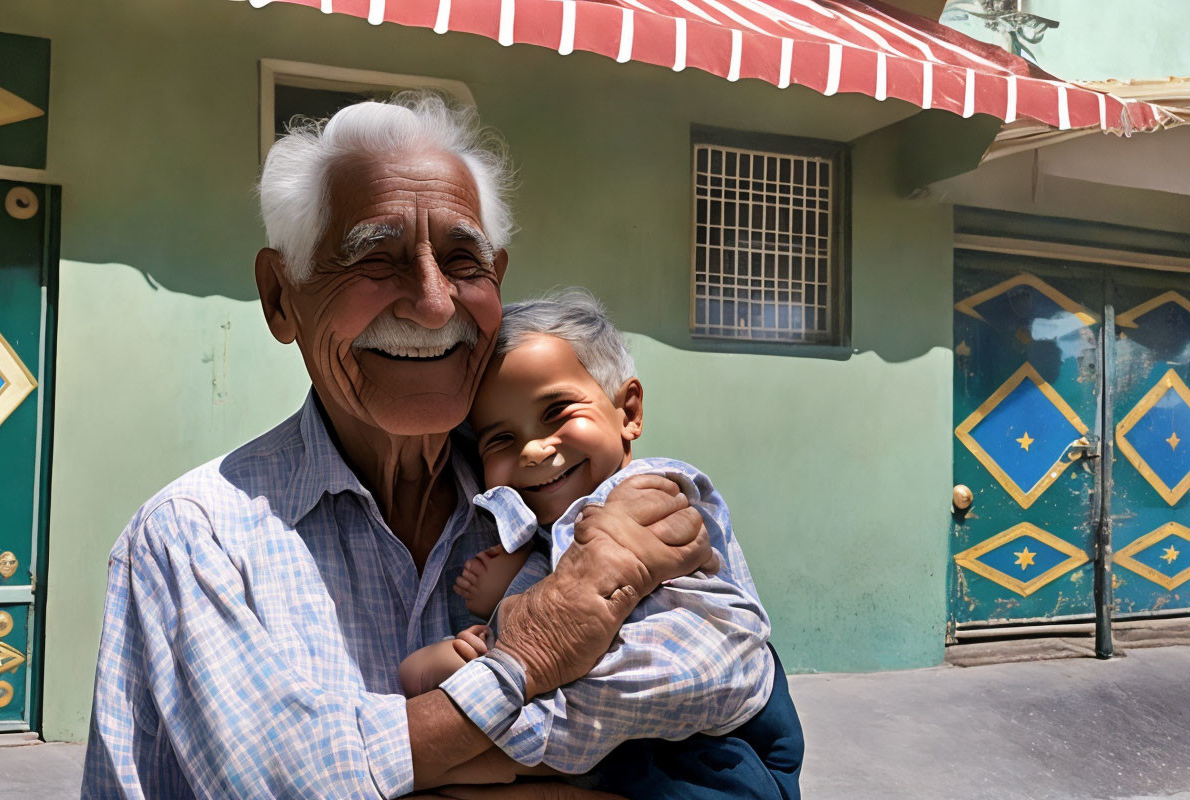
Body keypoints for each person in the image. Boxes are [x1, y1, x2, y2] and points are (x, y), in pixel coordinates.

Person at [81, 93, 755, 799]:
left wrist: (468, 749)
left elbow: (734, 677)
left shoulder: (570, 498)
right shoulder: (196, 539)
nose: (433, 304)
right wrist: (530, 657)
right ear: (282, 297)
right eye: (376, 258)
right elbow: (285, 783)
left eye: (464, 261)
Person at [397, 290, 803, 798]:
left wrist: (497, 727)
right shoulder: (540, 534)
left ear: (628, 410)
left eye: (557, 412)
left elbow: (686, 669)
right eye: (499, 439)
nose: (533, 449)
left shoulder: (651, 499)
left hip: (716, 757)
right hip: (637, 754)